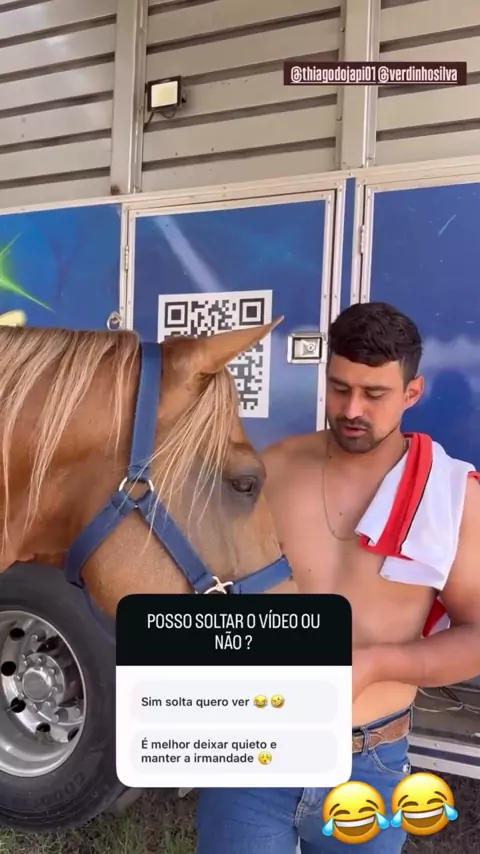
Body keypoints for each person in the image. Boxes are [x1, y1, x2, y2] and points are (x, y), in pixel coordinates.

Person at [195, 301, 480, 853]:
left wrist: (373, 666)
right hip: (256, 749)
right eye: (339, 388)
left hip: (370, 763)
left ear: (412, 393)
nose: (351, 409)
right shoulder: (272, 470)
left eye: (374, 395)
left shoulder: (452, 497)